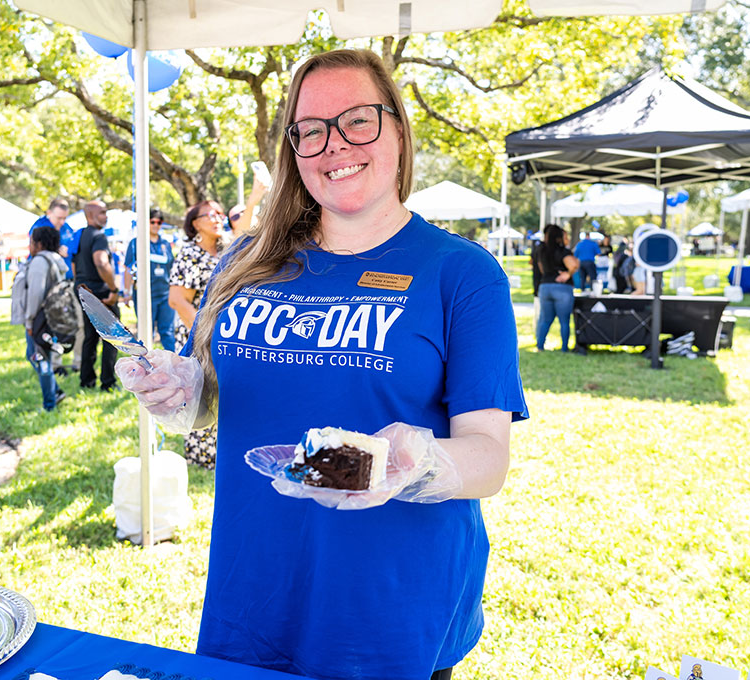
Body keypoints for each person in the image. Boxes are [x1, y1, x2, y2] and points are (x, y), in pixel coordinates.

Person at [119, 49, 527, 680]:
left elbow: (488, 456)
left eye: (358, 119)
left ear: (397, 127)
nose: (335, 144)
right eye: (310, 130)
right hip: (254, 585)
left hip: (391, 606)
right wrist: (178, 389)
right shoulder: (246, 261)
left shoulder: (463, 274)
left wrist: (413, 464)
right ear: (293, 149)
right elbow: (213, 400)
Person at [167, 200, 224, 468]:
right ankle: (201, 456)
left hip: (223, 335)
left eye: (219, 213)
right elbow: (178, 301)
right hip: (199, 334)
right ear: (195, 224)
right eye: (210, 214)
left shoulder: (227, 251)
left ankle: (221, 452)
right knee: (201, 392)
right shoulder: (189, 254)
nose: (217, 218)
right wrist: (205, 336)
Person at [73, 200, 120, 392]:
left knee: (90, 337)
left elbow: (74, 264)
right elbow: (101, 262)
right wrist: (113, 289)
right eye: (102, 212)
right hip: (101, 292)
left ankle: (86, 380)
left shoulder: (80, 235)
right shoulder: (99, 236)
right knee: (113, 338)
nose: (106, 216)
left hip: (83, 289)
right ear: (90, 214)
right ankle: (108, 382)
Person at [31, 198, 80, 376]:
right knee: (52, 323)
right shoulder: (39, 228)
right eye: (59, 218)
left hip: (68, 282)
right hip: (50, 284)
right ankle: (54, 365)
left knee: (74, 322)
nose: (62, 222)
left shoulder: (66, 229)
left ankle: (77, 363)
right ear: (49, 213)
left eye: (64, 218)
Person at [21, 226, 67, 411]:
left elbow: (35, 294)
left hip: (41, 319)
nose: (30, 245)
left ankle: (50, 403)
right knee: (35, 355)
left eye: (31, 241)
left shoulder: (40, 262)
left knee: (41, 359)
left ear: (39, 244)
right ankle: (55, 391)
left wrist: (29, 321)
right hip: (55, 316)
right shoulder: (56, 260)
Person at [125, 208, 175, 349]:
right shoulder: (136, 243)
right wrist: (126, 292)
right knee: (146, 333)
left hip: (165, 294)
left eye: (159, 222)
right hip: (144, 294)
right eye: (152, 221)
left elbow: (172, 268)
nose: (155, 225)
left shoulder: (165, 244)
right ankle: (146, 366)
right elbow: (128, 269)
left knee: (168, 332)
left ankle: (175, 364)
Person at [536, 223, 578, 352]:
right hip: (562, 288)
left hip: (545, 286)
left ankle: (540, 346)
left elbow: (541, 268)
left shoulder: (541, 250)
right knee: (564, 320)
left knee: (545, 319)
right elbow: (574, 265)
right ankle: (564, 348)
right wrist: (567, 274)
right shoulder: (562, 251)